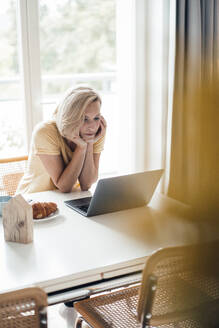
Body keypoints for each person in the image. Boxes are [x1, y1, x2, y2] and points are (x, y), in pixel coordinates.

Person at [16, 86, 107, 194]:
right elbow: (64, 186)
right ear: (71, 117)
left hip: (67, 200)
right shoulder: (45, 132)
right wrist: (81, 148)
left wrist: (89, 144)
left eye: (96, 118)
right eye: (84, 119)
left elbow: (86, 184)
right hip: (32, 201)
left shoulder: (96, 132)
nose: (92, 126)